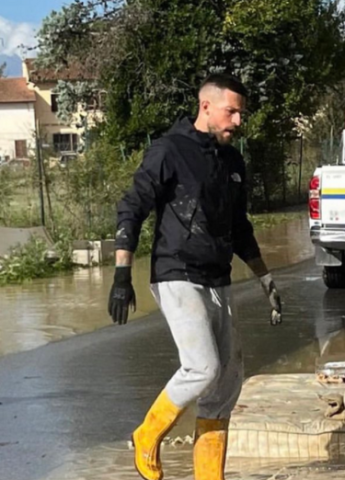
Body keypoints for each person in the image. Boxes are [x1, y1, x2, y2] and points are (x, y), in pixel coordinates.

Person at [107, 73, 282, 480]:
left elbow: (241, 229)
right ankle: (147, 436)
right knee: (202, 367)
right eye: (231, 111)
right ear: (206, 106)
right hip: (177, 272)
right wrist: (121, 274)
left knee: (226, 384)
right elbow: (131, 208)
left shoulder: (232, 162)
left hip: (218, 278)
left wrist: (266, 280)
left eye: (241, 113)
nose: (238, 121)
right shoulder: (169, 151)